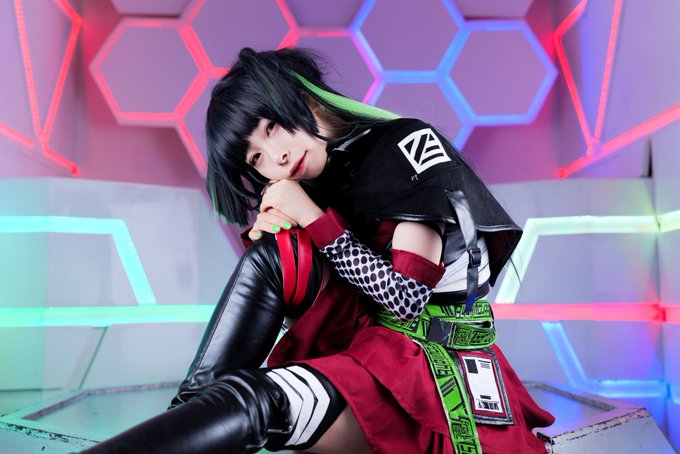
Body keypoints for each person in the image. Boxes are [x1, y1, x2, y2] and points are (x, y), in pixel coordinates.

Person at [83, 47, 554, 454]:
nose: (277, 158)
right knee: (276, 255)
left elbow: (406, 298)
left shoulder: (404, 144)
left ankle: (195, 417)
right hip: (374, 338)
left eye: (271, 128)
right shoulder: (324, 176)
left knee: (259, 401)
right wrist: (283, 231)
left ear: (301, 98)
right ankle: (190, 407)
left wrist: (311, 217)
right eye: (256, 158)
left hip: (431, 362)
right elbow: (316, 285)